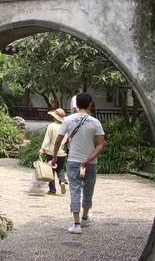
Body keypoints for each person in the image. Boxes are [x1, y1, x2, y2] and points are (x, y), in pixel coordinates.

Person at [51, 93, 105, 234]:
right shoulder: (95, 122)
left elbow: (58, 141)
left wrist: (55, 157)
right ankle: (85, 218)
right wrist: (88, 159)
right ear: (90, 105)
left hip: (73, 161)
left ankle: (76, 224)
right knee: (88, 190)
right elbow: (101, 145)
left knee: (75, 190)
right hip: (90, 163)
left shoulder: (68, 120)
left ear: (76, 105)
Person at [39, 108, 68, 195]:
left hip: (51, 152)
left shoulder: (51, 126)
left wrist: (43, 148)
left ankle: (52, 190)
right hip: (62, 152)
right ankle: (62, 181)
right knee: (60, 168)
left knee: (50, 171)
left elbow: (47, 138)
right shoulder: (65, 127)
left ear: (54, 117)